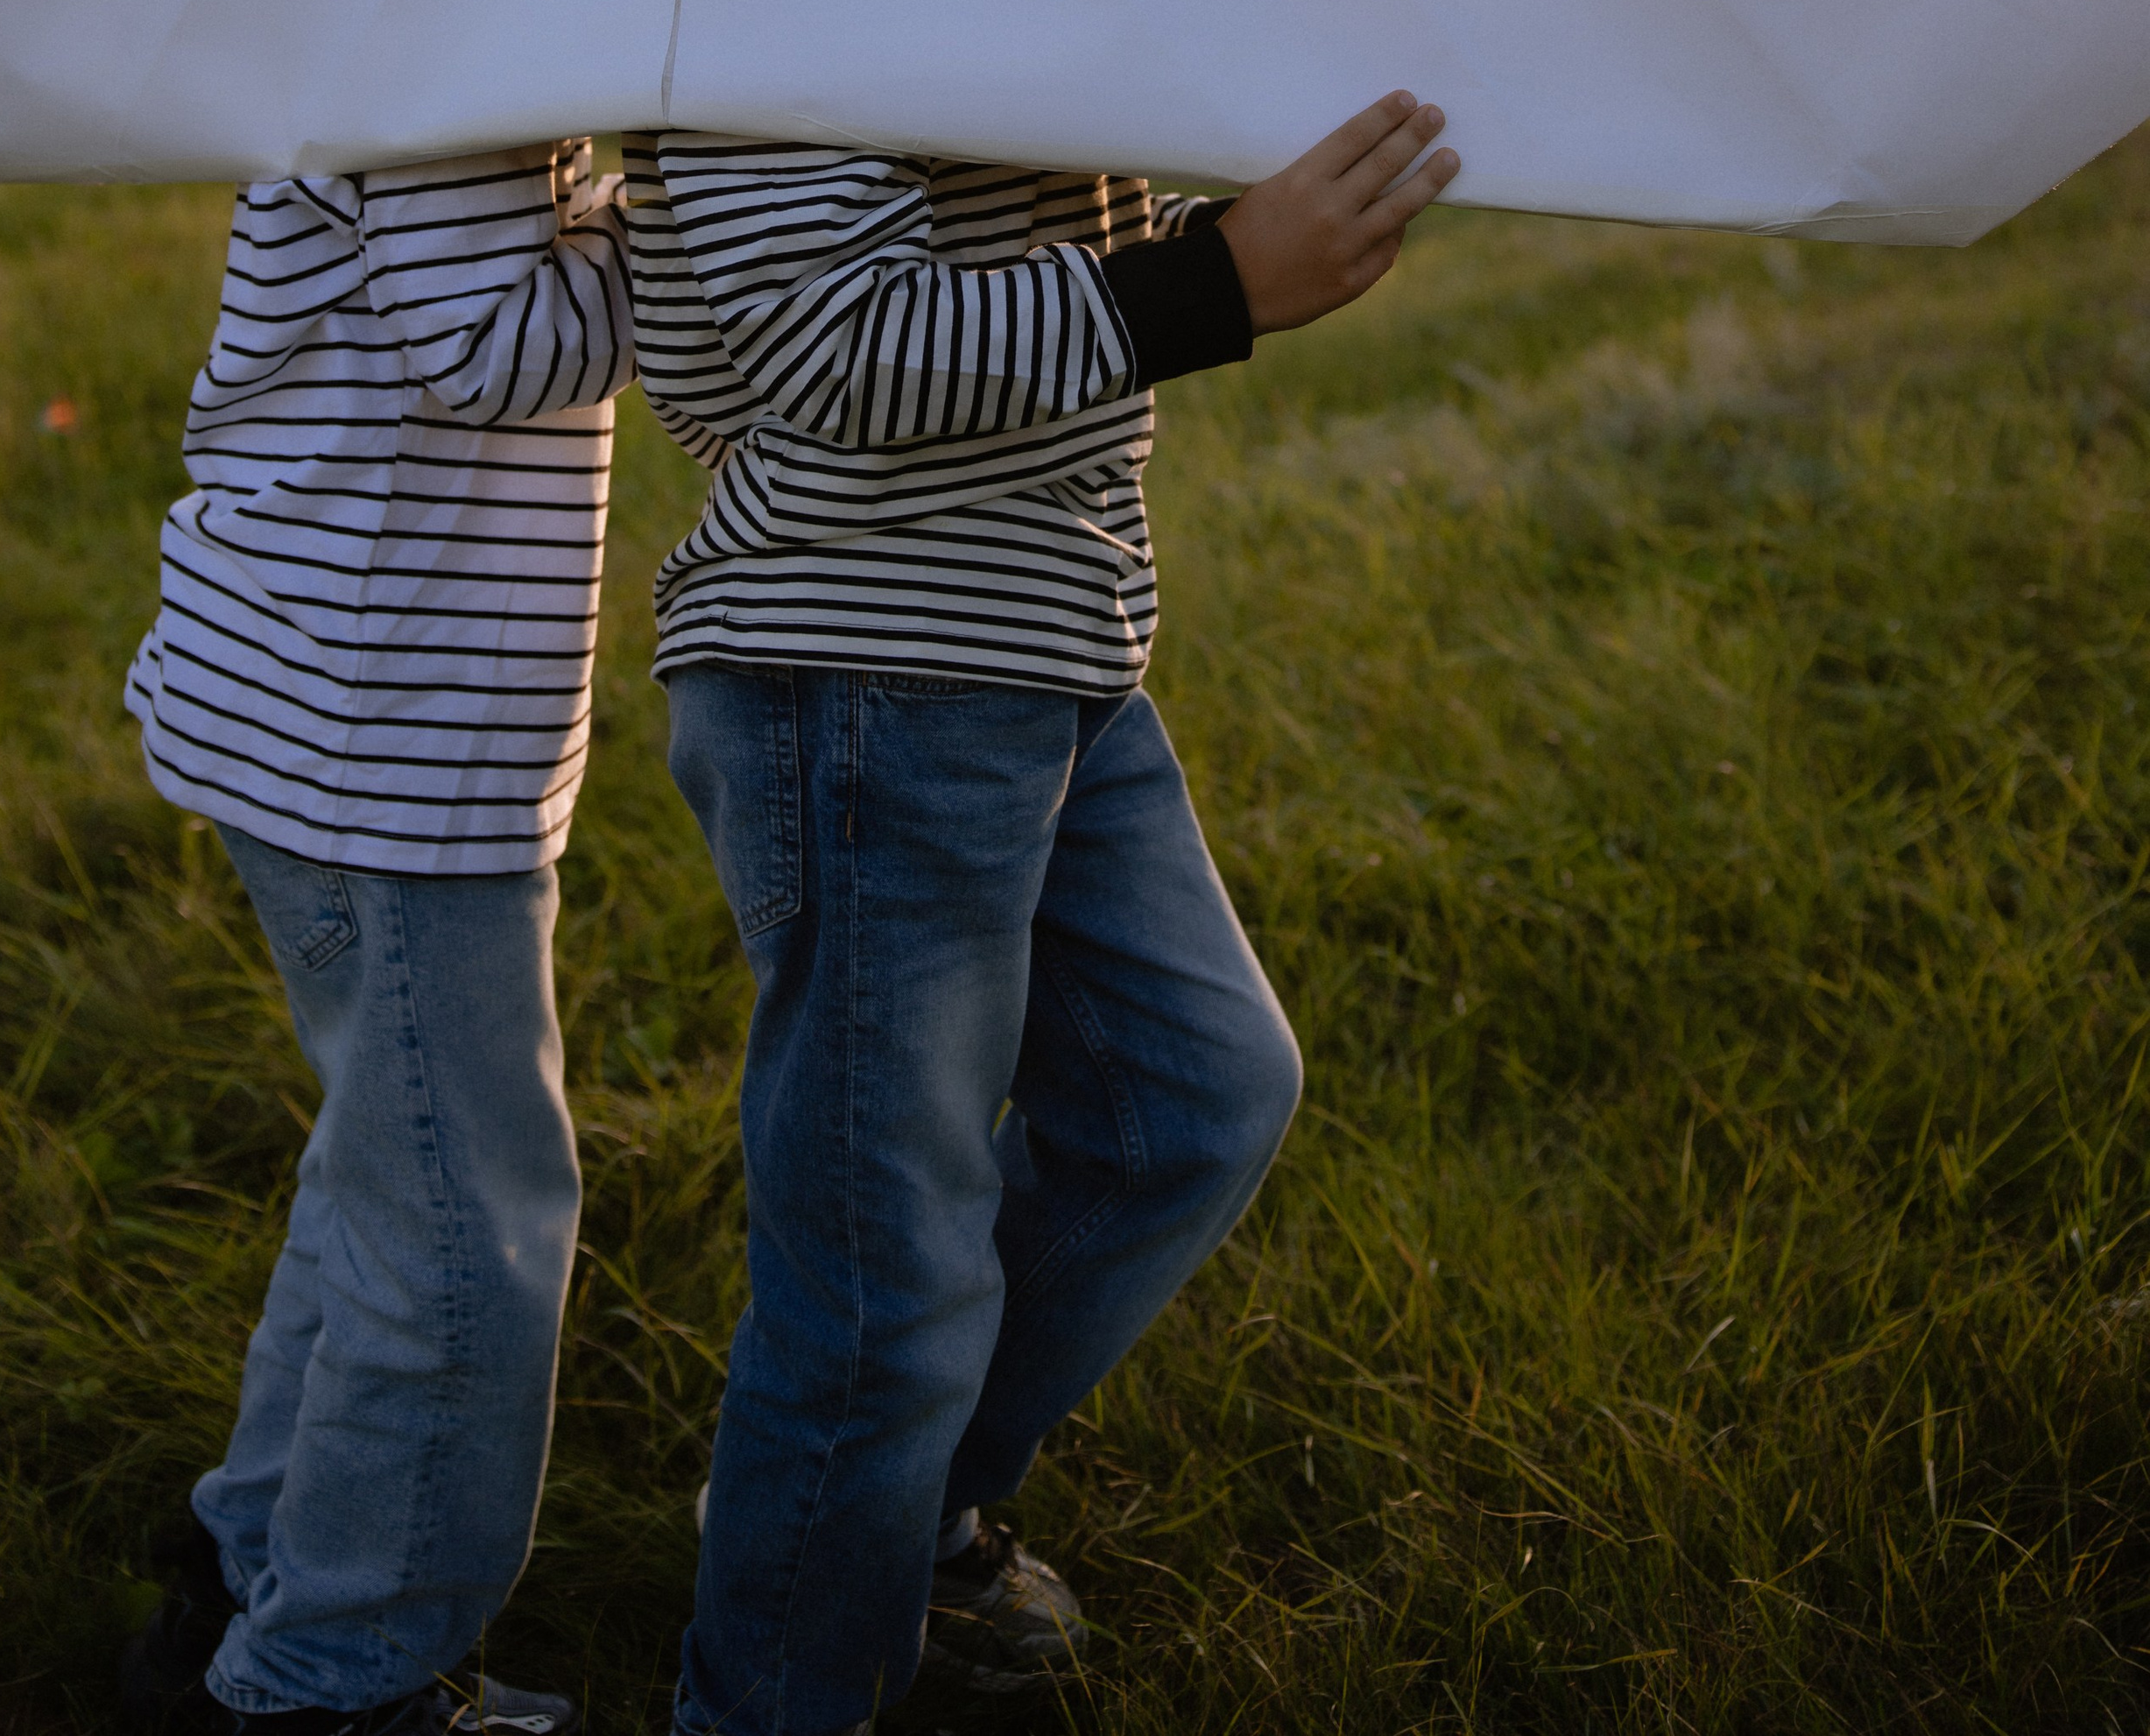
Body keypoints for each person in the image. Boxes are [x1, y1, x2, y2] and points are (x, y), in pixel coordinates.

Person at [623, 88, 1457, 1736]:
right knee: (882, 1266)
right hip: (874, 652)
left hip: (1049, 632)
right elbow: (830, 346)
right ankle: (777, 1693)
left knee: (1191, 1094)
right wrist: (1212, 282)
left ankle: (880, 1519)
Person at [118, 141, 635, 1736]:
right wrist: (693, 214)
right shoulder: (450, 72)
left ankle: (264, 1560)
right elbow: (484, 347)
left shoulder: (451, 50)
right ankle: (334, 1677)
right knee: (468, 1237)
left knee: (387, 1175)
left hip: (364, 735)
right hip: (375, 757)